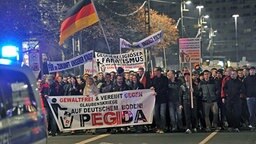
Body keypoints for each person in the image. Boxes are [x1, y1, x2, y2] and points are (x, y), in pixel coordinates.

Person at [151, 67, 168, 134]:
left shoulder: (164, 79)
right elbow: (151, 86)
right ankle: (158, 127)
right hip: (155, 100)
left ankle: (163, 127)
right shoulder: (153, 79)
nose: (155, 72)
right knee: (156, 114)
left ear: (159, 71)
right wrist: (151, 88)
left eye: (155, 71)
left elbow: (165, 88)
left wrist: (157, 92)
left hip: (163, 99)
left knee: (162, 114)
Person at [243, 66, 256, 130]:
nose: (252, 71)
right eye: (251, 70)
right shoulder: (246, 79)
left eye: (253, 70)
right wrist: (246, 97)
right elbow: (243, 88)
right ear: (249, 71)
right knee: (251, 113)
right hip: (250, 98)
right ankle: (252, 125)